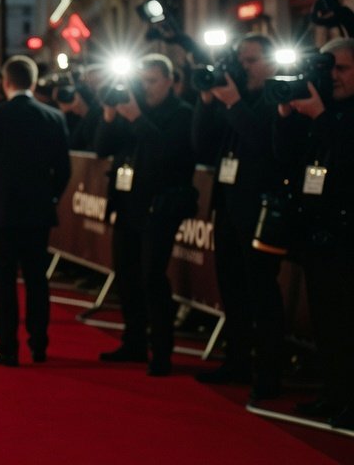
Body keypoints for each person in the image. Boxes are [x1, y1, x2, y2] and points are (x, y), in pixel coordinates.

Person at [190, 35, 285, 400]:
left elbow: (267, 142)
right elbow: (201, 144)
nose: (243, 67)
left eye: (251, 60)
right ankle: (237, 361)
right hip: (228, 208)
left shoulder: (274, 99)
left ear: (272, 62)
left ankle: (268, 373)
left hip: (260, 211)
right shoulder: (236, 101)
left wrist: (232, 104)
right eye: (240, 60)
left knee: (262, 292)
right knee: (232, 290)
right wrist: (206, 100)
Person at [94, 54, 196, 376]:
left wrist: (136, 117)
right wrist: (110, 115)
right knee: (126, 275)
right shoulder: (130, 108)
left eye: (152, 81)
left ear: (170, 81)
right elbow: (100, 148)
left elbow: (168, 155)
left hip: (160, 206)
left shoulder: (181, 114)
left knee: (152, 278)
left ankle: (162, 351)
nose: (146, 88)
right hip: (127, 204)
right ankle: (134, 342)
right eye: (143, 81)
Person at [273, 38, 354, 429]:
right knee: (327, 322)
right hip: (319, 234)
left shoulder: (338, 116)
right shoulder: (323, 111)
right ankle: (333, 393)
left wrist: (321, 115)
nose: (333, 77)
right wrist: (287, 116)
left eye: (342, 69)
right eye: (328, 69)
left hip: (348, 236)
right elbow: (286, 159)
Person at [0, 56, 71, 366]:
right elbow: (64, 170)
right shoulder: (54, 117)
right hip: (38, 211)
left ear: (6, 82)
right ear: (35, 82)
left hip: (2, 211)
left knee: (4, 281)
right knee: (37, 280)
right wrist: (48, 196)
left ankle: (8, 346)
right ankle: (39, 345)